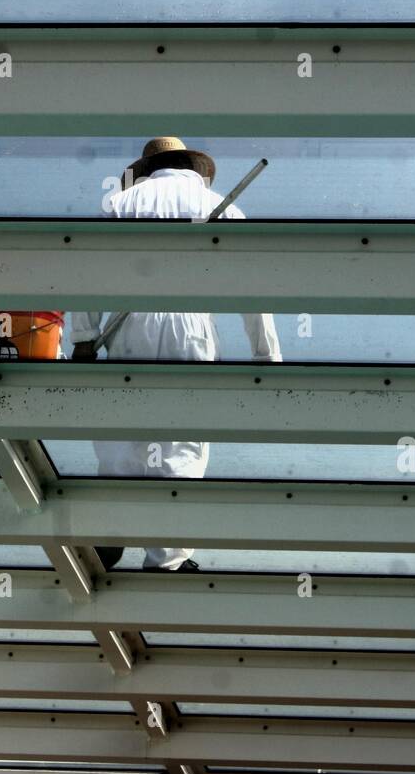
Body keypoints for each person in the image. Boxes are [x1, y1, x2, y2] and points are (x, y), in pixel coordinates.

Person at [70, 135, 282, 573]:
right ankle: (167, 559)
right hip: (192, 330)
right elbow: (253, 290)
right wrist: (266, 358)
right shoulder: (219, 205)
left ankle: (111, 534)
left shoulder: (119, 205)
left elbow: (87, 272)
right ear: (192, 167)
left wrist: (84, 337)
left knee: (120, 435)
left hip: (128, 327)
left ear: (146, 168)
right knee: (182, 441)